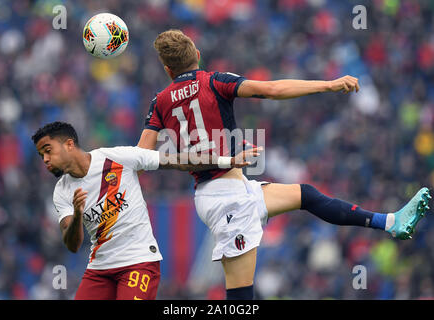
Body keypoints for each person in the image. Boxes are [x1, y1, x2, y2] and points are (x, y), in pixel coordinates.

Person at [137, 29, 431, 300]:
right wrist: (329, 84)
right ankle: (390, 223)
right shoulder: (214, 80)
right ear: (197, 56)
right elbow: (273, 90)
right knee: (241, 298)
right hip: (226, 200)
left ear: (167, 70)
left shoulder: (159, 102)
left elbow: (143, 156)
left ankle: (390, 222)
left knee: (306, 195)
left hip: (225, 191)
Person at [32, 121, 260, 300]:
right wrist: (78, 214)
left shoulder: (116, 158)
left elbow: (177, 160)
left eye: (48, 150)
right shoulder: (61, 192)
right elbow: (72, 245)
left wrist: (227, 160)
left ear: (69, 144)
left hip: (138, 263)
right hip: (99, 269)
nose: (45, 159)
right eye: (42, 154)